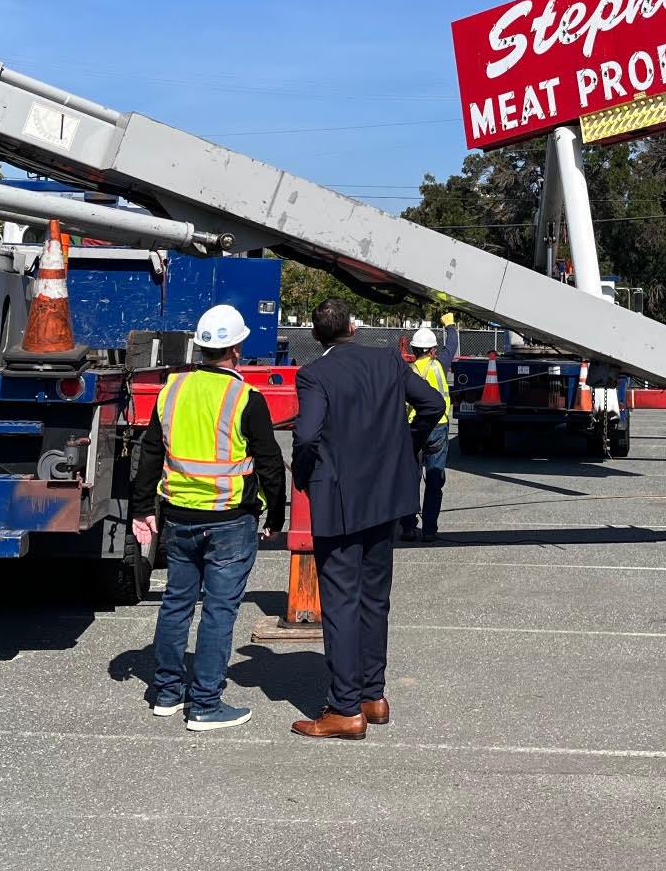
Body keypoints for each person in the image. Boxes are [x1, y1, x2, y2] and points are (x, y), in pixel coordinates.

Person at [290, 297, 445, 740]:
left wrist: (305, 475)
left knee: (340, 601)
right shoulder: (388, 363)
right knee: (375, 598)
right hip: (387, 496)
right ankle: (372, 695)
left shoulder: (315, 374)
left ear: (316, 336)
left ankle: (344, 708)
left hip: (339, 501)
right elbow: (432, 404)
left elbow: (305, 434)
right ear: (353, 329)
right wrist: (406, 443)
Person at [130, 304, 285, 731]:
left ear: (200, 347)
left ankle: (166, 693)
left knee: (177, 604)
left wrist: (142, 507)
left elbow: (150, 452)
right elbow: (270, 462)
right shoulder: (245, 398)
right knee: (219, 611)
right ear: (236, 348)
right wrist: (277, 514)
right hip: (230, 519)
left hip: (178, 515)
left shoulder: (172, 390)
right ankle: (205, 704)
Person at [398, 325, 452, 544]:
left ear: (413, 348)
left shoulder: (407, 371)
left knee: (410, 480)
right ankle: (429, 530)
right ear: (432, 350)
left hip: (414, 428)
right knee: (434, 480)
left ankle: (408, 528)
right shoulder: (439, 365)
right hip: (438, 428)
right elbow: (452, 347)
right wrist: (450, 326)